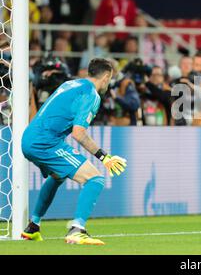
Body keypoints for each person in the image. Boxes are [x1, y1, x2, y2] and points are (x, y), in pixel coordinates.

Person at [20, 58, 127, 245]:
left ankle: (33, 227)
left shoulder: (71, 84)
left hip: (29, 138)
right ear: (106, 77)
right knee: (95, 179)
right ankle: (77, 229)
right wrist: (104, 156)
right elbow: (79, 133)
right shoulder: (91, 94)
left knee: (57, 176)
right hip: (45, 142)